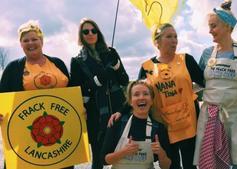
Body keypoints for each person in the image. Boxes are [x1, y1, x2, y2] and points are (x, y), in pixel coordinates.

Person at [109, 23, 204, 169]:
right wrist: (121, 111)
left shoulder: (187, 60)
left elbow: (204, 82)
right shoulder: (147, 67)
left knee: (190, 165)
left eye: (175, 36)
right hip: (164, 126)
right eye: (169, 37)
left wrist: (190, 91)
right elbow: (137, 93)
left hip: (189, 123)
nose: (174, 40)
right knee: (171, 165)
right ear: (157, 42)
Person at [0, 20, 73, 169]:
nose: (30, 43)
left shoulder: (57, 63)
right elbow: (2, 97)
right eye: (25, 40)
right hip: (26, 136)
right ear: (21, 44)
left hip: (59, 132)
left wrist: (79, 109)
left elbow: (73, 92)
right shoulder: (13, 68)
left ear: (42, 41)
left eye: (34, 39)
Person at [193, 1, 237, 168]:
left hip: (236, 115)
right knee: (211, 161)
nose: (209, 31)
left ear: (228, 26)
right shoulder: (207, 53)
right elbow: (198, 84)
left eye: (213, 26)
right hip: (211, 115)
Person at [70, 18, 129, 169]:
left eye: (93, 30)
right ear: (81, 35)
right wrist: (98, 80)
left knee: (124, 153)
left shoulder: (111, 52)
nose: (90, 34)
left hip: (119, 109)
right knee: (98, 159)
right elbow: (78, 90)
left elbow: (124, 80)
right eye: (86, 31)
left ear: (98, 33)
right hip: (96, 114)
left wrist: (116, 68)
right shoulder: (77, 61)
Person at [101, 80, 171, 169]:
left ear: (152, 100)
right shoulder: (118, 123)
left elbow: (166, 166)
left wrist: (161, 153)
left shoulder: (158, 128)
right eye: (136, 94)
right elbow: (104, 160)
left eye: (146, 94)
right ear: (130, 101)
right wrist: (124, 152)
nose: (141, 97)